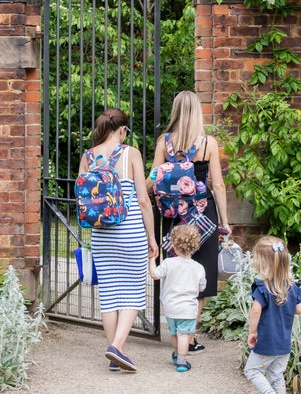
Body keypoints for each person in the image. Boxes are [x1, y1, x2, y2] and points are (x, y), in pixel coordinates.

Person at [150, 90, 231, 352]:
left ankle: (175, 334)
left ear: (176, 111)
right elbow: (217, 185)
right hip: (203, 216)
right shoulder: (209, 143)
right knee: (201, 276)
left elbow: (153, 179)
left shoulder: (165, 142)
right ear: (197, 111)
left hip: (173, 215)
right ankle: (190, 338)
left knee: (174, 272)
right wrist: (225, 222)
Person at [83, 107, 158, 373]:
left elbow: (83, 198)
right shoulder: (130, 154)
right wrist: (151, 237)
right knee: (134, 292)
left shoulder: (88, 156)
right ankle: (117, 347)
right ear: (123, 130)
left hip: (101, 234)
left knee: (110, 294)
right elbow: (142, 200)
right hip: (130, 232)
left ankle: (116, 354)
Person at [245, 235, 301, 394]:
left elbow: (255, 311)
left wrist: (253, 332)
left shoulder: (263, 288)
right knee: (276, 375)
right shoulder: (292, 288)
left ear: (261, 263)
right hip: (284, 344)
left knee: (252, 371)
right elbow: (299, 310)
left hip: (266, 343)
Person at [148, 223, 206, 373]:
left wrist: (151, 260)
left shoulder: (168, 263)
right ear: (195, 246)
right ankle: (181, 361)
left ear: (173, 244)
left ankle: (176, 353)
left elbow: (154, 275)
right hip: (188, 308)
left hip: (170, 307)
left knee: (174, 333)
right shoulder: (199, 267)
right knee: (183, 334)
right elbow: (202, 288)